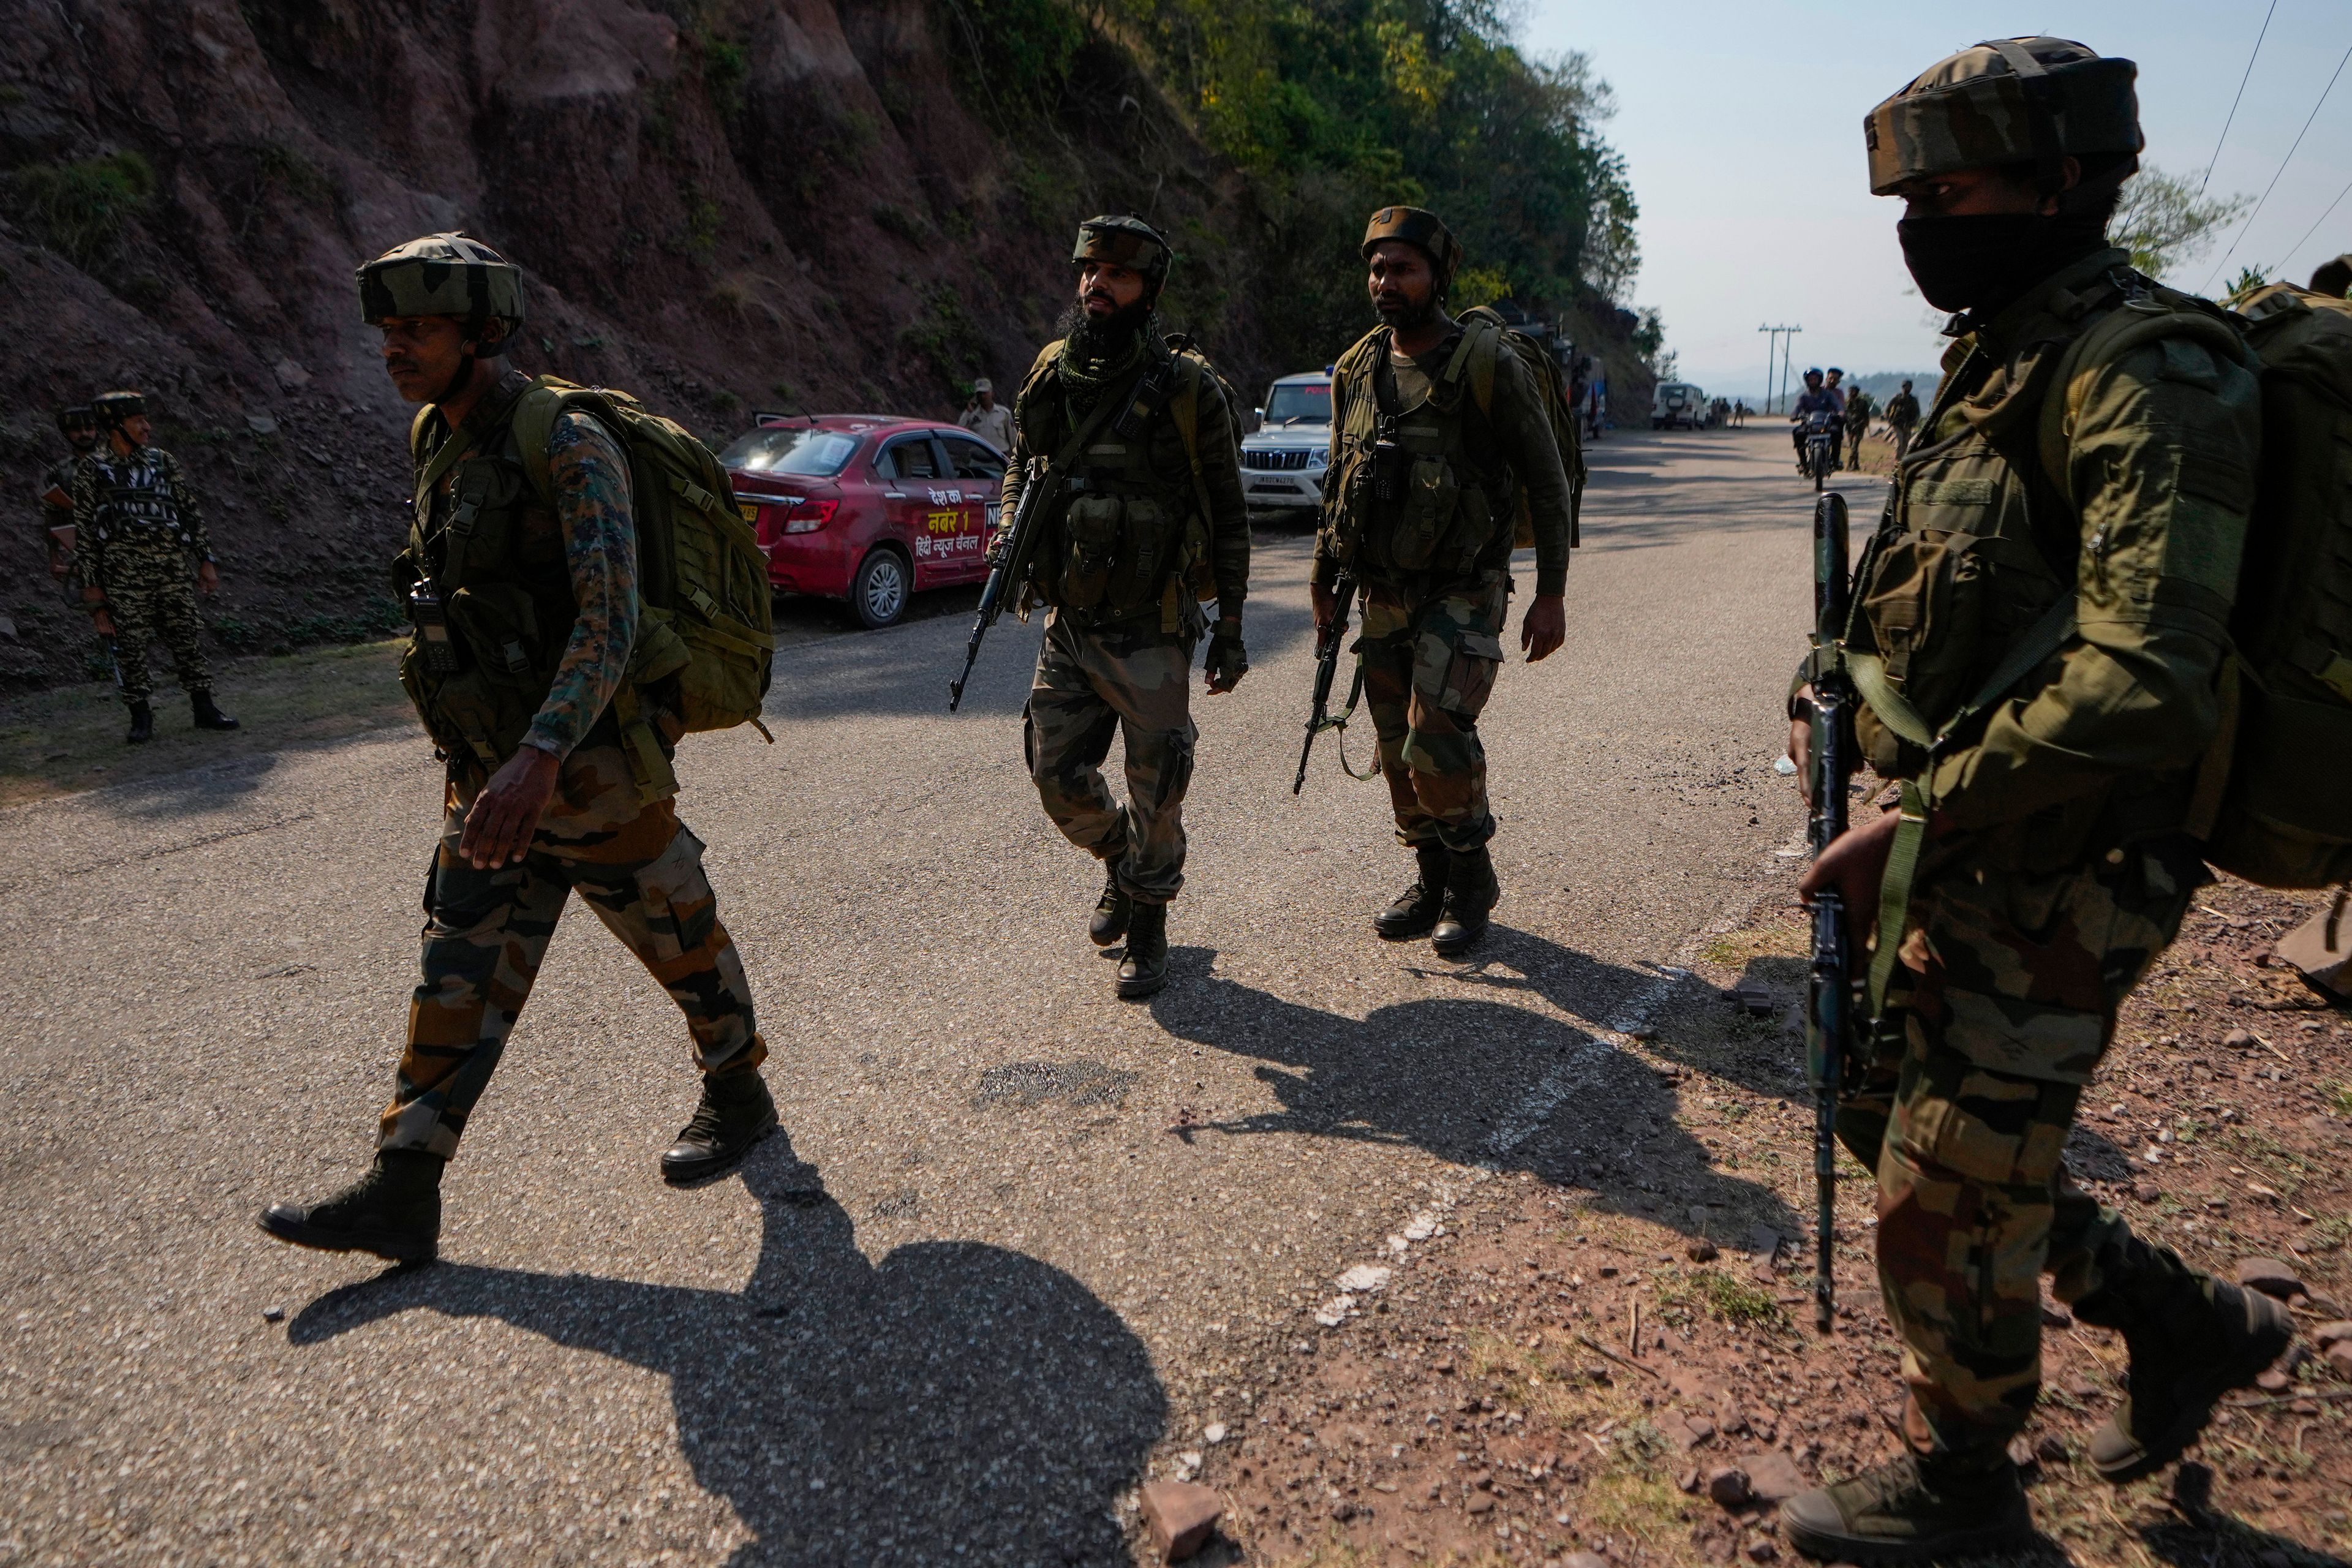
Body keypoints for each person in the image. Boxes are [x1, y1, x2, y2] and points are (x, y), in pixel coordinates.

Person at [1781, 38, 2287, 1562]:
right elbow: (1938, 582)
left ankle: (1966, 1488)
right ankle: (2181, 1316)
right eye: (1910, 195)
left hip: (2072, 862)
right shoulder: (1997, 349)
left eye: (1952, 189)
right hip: (1974, 844)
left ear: (2062, 182)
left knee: (1945, 1170)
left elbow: (2149, 671)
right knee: (1904, 1120)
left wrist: (1921, 812)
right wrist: (1835, 673)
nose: (1922, 223)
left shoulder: (2147, 369)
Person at [260, 233, 778, 1264]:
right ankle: (406, 1186)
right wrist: (491, 758)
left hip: (582, 766)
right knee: (459, 962)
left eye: (420, 330)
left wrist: (539, 752)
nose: (396, 348)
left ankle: (740, 1091)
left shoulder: (567, 441)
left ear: (481, 333)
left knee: (681, 938)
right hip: (491, 771)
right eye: (389, 331)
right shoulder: (434, 436)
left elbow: (609, 622)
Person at [993, 215, 1252, 1000]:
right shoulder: (1052, 371)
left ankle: (1149, 920)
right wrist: (1009, 532)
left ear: (1149, 291)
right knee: (1054, 774)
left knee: (1158, 785)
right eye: (1088, 270)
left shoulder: (1186, 389)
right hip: (1070, 620)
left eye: (1116, 274)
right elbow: (1021, 464)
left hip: (1153, 625)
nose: (1095, 284)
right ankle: (1120, 859)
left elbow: (1229, 508)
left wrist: (1233, 627)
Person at [1314, 205, 1575, 957]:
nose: (1385, 282)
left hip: (1464, 585)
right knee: (1395, 745)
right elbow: (1342, 480)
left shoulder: (1488, 365)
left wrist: (1552, 592)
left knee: (1437, 732)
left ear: (1437, 276)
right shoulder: (1358, 368)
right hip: (1383, 589)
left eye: (1402, 268)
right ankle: (1429, 877)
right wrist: (1323, 576)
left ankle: (1471, 878)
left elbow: (1546, 480)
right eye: (1376, 268)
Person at [73, 390, 238, 742]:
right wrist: (93, 590)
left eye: (146, 420)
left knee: (187, 639)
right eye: (138, 421)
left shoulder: (163, 461)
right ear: (115, 426)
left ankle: (204, 708)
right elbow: (85, 533)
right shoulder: (92, 470)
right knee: (130, 647)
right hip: (123, 575)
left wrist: (206, 559)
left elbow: (189, 512)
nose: (147, 427)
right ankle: (141, 717)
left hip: (170, 569)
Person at [37, 404, 116, 682]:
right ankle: (113, 663)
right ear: (66, 434)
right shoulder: (59, 472)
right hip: (83, 546)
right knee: (98, 606)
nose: (84, 434)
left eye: (89, 428)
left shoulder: (116, 461)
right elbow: (52, 517)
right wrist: (54, 556)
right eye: (77, 430)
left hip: (120, 544)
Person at [1789, 368, 1843, 472]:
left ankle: (1835, 460)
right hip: (1809, 424)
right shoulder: (1803, 396)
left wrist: (1841, 413)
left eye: (1815, 379)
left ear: (1820, 380)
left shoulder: (1828, 394)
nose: (1813, 381)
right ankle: (1803, 463)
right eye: (1811, 379)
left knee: (1836, 432)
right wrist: (1794, 415)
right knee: (1798, 433)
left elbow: (1838, 405)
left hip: (1826, 423)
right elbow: (1797, 408)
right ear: (1807, 381)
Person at [959, 376, 1015, 451]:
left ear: (992, 394)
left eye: (985, 393)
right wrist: (968, 412)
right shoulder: (972, 415)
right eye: (979, 394)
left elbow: (1013, 438)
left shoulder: (1004, 413)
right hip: (978, 459)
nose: (982, 396)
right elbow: (959, 431)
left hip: (999, 458)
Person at [1883, 377, 1921, 461]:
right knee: (1899, 444)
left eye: (1908, 387)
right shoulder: (1897, 398)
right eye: (1905, 387)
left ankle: (1901, 462)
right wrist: (1890, 421)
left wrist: (1914, 422)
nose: (1907, 389)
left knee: (1905, 446)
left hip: (1908, 426)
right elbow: (1887, 410)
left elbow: (1917, 413)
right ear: (1903, 387)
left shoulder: (1913, 400)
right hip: (1897, 425)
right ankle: (1898, 462)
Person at [1841, 384, 1875, 469]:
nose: (1851, 393)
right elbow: (1844, 415)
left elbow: (1866, 416)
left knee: (1854, 447)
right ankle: (1856, 465)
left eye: (1853, 391)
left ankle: (1849, 464)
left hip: (1859, 427)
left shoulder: (1863, 403)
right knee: (1853, 446)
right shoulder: (1847, 403)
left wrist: (1864, 425)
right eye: (1850, 391)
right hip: (1850, 428)